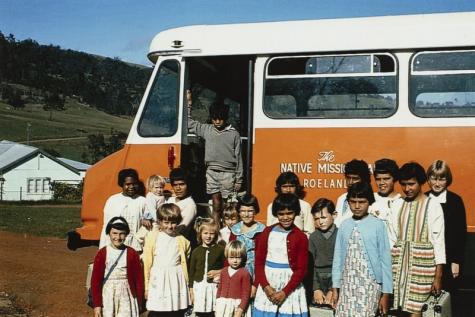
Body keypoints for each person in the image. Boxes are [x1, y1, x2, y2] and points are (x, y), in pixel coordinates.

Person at [389, 162, 445, 316]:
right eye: (404, 184)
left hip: (423, 267)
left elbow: (439, 242)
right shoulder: (397, 204)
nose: (407, 189)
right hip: (398, 266)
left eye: (411, 184)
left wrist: (438, 277)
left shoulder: (432, 205)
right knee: (397, 309)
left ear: (420, 181)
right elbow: (391, 238)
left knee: (416, 310)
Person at [331, 182, 392, 317]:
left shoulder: (378, 225)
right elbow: (338, 258)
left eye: (362, 202)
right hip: (346, 284)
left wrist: (386, 293)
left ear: (369, 202)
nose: (357, 206)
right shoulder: (344, 225)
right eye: (353, 202)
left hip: (370, 284)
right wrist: (335, 288)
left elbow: (385, 260)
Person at [253, 193, 309, 317]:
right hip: (268, 283)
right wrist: (266, 287)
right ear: (276, 214)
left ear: (296, 212)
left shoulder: (301, 237)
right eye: (281, 214)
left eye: (289, 213)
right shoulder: (267, 232)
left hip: (290, 286)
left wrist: (285, 292)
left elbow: (301, 269)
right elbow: (259, 262)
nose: (285, 217)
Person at [188, 101, 243, 224]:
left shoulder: (234, 134)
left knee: (229, 207)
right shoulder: (206, 129)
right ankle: (216, 231)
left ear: (226, 118)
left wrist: (239, 179)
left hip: (228, 174)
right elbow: (189, 123)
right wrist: (188, 105)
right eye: (214, 118)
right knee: (216, 204)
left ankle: (228, 232)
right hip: (211, 172)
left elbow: (239, 157)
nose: (217, 122)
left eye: (220, 119)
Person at [426, 160, 466, 314]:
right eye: (434, 178)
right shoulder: (423, 198)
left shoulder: (455, 201)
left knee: (447, 302)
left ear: (447, 179)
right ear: (428, 179)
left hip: (449, 259)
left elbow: (460, 234)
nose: (437, 183)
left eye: (441, 179)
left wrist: (456, 261)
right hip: (428, 257)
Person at [143, 203, 191, 317]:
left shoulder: (183, 241)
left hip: (176, 278)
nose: (170, 226)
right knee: (159, 310)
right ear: (159, 222)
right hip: (158, 279)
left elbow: (186, 261)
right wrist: (146, 286)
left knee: (175, 310)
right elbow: (147, 263)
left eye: (173, 222)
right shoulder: (152, 238)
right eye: (166, 222)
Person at [91, 217, 144, 317]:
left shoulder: (132, 253)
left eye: (122, 233)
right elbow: (95, 281)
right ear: (109, 233)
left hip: (127, 294)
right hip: (108, 294)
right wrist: (97, 305)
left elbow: (138, 280)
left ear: (126, 234)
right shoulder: (102, 253)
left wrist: (139, 301)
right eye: (114, 233)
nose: (118, 237)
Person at [99, 168, 147, 252]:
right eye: (128, 184)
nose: (131, 187)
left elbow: (146, 226)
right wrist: (103, 248)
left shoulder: (143, 201)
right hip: (115, 245)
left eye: (134, 184)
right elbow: (107, 226)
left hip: (135, 246)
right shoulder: (113, 200)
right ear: (121, 184)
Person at [189, 218, 225, 317]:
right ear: (200, 234)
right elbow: (191, 272)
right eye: (205, 233)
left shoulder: (220, 250)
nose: (208, 236)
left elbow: (226, 268)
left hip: (213, 286)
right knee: (200, 311)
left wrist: (218, 272)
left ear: (216, 235)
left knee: (213, 310)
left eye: (211, 233)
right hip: (199, 287)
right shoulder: (196, 251)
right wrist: (191, 289)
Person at [230, 194, 266, 283]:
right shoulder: (235, 229)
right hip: (236, 270)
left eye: (250, 211)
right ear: (239, 212)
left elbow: (262, 258)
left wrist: (256, 284)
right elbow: (229, 253)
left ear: (255, 211)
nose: (246, 214)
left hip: (255, 272)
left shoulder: (261, 230)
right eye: (243, 211)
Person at [308, 198, 337, 306]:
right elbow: (310, 266)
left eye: (323, 217)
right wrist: (316, 289)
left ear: (334, 215)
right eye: (316, 219)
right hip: (318, 278)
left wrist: (333, 289)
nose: (320, 222)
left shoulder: (340, 236)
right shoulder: (313, 237)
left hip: (335, 280)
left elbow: (342, 266)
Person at [215, 240, 252, 317]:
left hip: (237, 307)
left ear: (242, 257)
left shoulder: (244, 273)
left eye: (238, 257)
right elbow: (220, 287)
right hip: (223, 306)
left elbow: (246, 293)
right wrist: (218, 301)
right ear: (227, 257)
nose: (235, 261)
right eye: (231, 257)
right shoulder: (224, 271)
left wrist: (240, 310)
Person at [334, 159, 371, 227]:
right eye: (348, 178)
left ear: (364, 179)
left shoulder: (370, 201)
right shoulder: (341, 198)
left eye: (355, 178)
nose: (350, 182)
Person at [369, 158, 401, 233]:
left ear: (394, 179)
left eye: (386, 179)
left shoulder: (402, 202)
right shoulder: (370, 198)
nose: (381, 183)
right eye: (378, 179)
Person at [166, 168, 197, 242]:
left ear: (188, 185)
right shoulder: (170, 200)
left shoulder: (190, 204)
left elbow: (180, 229)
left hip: (176, 241)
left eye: (182, 184)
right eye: (175, 185)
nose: (178, 188)